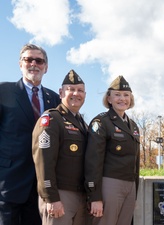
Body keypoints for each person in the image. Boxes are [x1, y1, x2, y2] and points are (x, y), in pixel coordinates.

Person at [0, 43, 60, 225]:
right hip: (8, 183)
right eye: (28, 59)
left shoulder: (54, 99)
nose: (34, 64)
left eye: (39, 60)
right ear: (20, 64)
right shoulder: (3, 91)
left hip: (40, 186)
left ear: (46, 67)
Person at [32, 69, 87, 225]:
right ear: (61, 92)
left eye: (80, 90)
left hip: (80, 196)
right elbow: (44, 162)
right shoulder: (51, 119)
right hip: (60, 196)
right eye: (71, 89)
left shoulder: (83, 124)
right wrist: (51, 198)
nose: (76, 93)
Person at [84, 75, 140, 225]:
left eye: (126, 95)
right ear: (109, 98)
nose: (122, 99)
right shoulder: (101, 122)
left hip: (130, 186)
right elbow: (93, 161)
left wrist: (134, 194)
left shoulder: (133, 126)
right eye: (117, 95)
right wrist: (95, 196)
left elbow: (136, 162)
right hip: (109, 184)